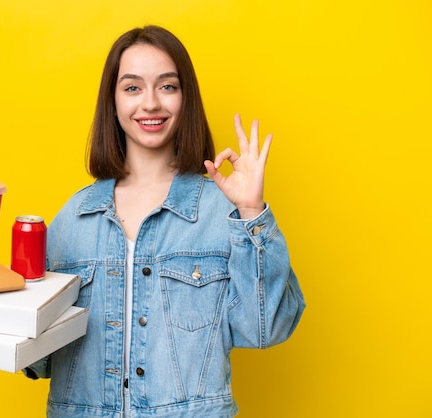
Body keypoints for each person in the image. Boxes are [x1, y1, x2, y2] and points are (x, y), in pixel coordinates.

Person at [25, 25, 305, 418]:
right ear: (113, 100)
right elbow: (40, 360)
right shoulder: (72, 219)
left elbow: (266, 328)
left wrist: (251, 213)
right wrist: (3, 307)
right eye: (133, 87)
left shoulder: (222, 210)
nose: (151, 103)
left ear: (185, 98)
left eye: (168, 86)